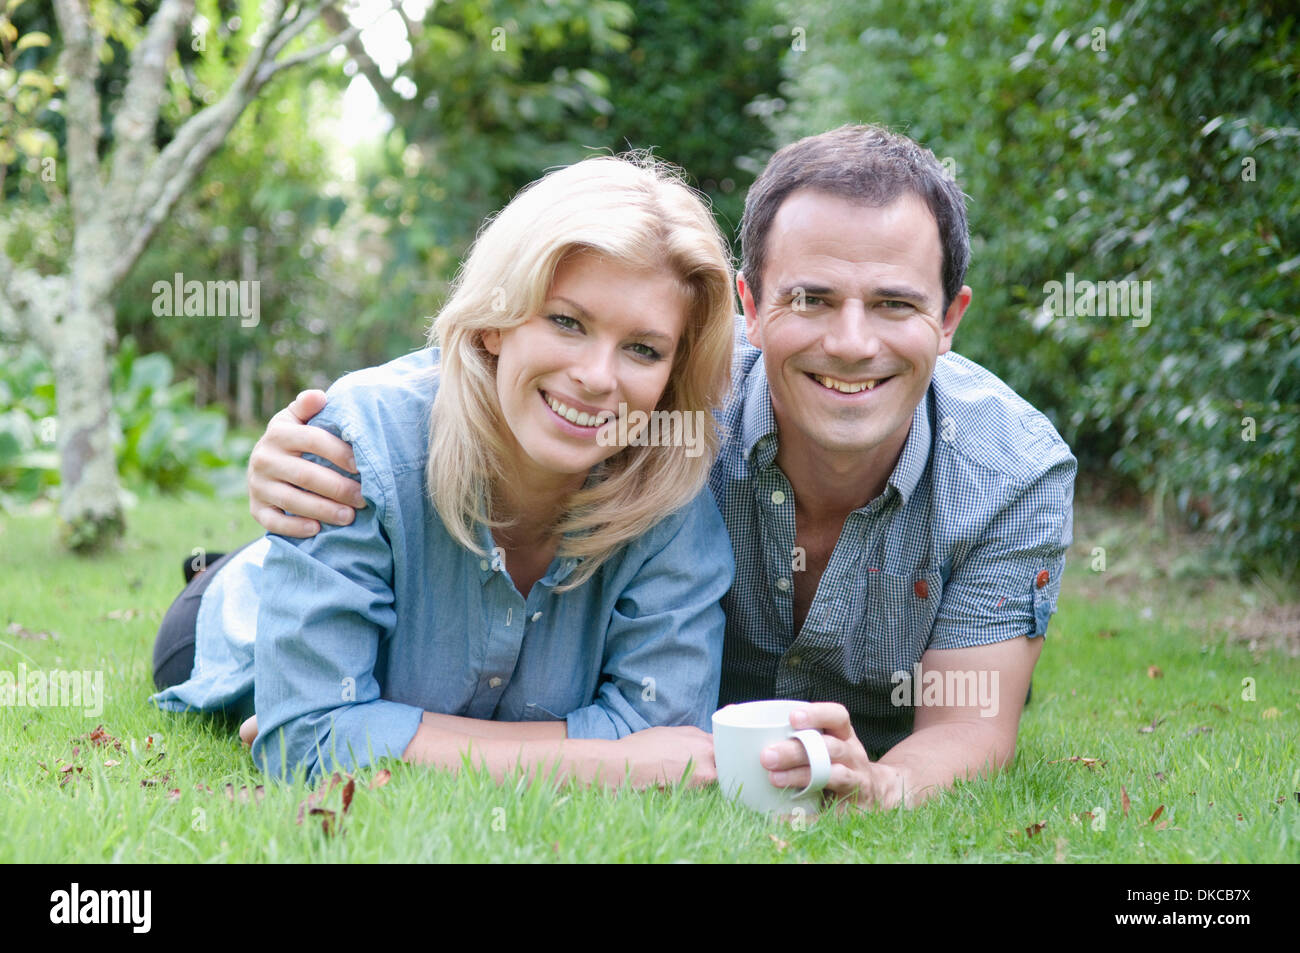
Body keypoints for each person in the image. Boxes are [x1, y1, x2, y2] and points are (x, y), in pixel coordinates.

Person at [246, 125, 1078, 809]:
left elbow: (970, 724)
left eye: (894, 303)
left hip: (491, 651)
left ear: (949, 318)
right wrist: (307, 448)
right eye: (811, 298)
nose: (852, 342)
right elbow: (484, 373)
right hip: (327, 595)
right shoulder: (676, 416)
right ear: (751, 310)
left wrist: (885, 784)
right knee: (240, 608)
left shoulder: (1012, 472)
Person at [150, 154, 739, 788]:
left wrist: (374, 730)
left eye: (642, 349)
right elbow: (306, 740)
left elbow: (669, 736)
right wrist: (605, 759)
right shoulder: (363, 442)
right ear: (494, 324)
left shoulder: (672, 488)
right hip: (235, 613)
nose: (598, 378)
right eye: (567, 322)